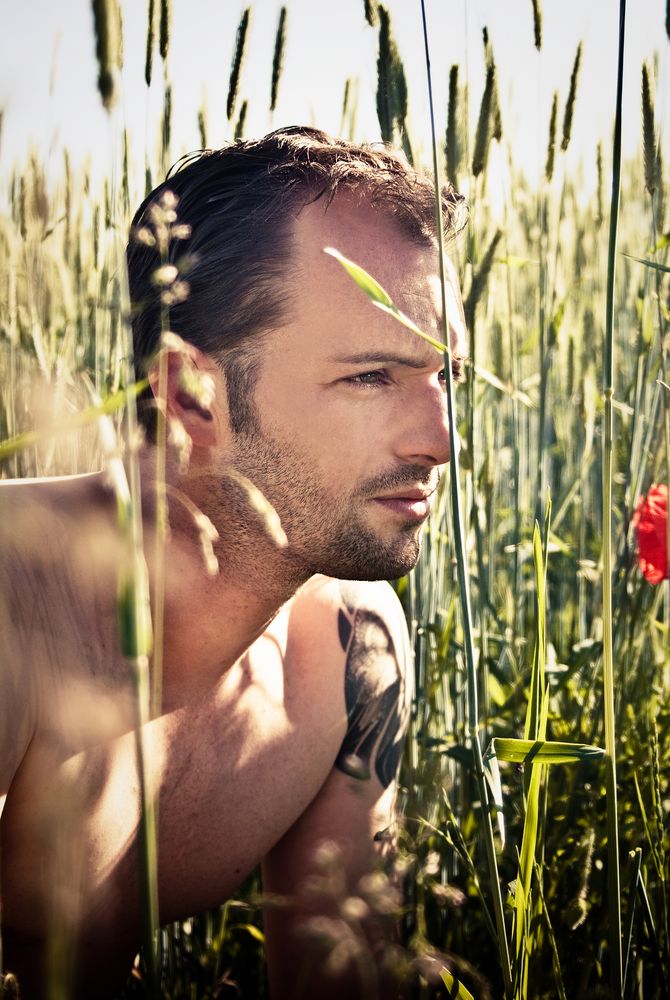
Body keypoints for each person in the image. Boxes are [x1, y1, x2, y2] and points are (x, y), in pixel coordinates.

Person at [0, 126, 468, 999]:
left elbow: (345, 978)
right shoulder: (14, 609)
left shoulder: (347, 648)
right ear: (190, 395)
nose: (440, 440)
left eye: (445, 377)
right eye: (372, 377)